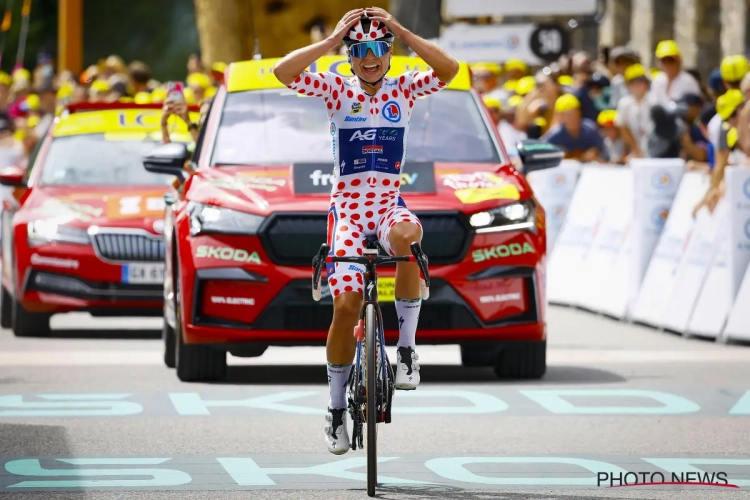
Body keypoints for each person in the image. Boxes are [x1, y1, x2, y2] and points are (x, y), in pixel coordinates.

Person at [272, 7, 458, 455]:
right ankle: (336, 409)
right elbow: (282, 71)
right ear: (351, 56)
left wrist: (397, 28)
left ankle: (407, 351)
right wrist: (332, 39)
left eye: (378, 49)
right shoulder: (337, 88)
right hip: (349, 214)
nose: (370, 58)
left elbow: (449, 69)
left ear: (388, 52)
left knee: (409, 238)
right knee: (347, 305)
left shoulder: (405, 88)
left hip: (388, 205)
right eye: (360, 51)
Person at [542, 94, 604, 161]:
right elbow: (541, 152)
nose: (573, 118)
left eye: (575, 114)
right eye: (568, 116)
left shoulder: (590, 129)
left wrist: (595, 151)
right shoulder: (554, 136)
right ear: (560, 117)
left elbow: (602, 149)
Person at [649, 40, 702, 107]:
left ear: (678, 61)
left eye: (670, 60)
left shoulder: (689, 82)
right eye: (664, 61)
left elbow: (696, 107)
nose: (667, 65)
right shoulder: (657, 80)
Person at [615, 63, 651, 159]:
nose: (636, 85)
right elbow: (623, 128)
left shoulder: (655, 101)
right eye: (632, 81)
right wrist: (636, 150)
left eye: (640, 81)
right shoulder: (624, 104)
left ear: (646, 83)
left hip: (654, 150)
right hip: (635, 151)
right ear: (627, 85)